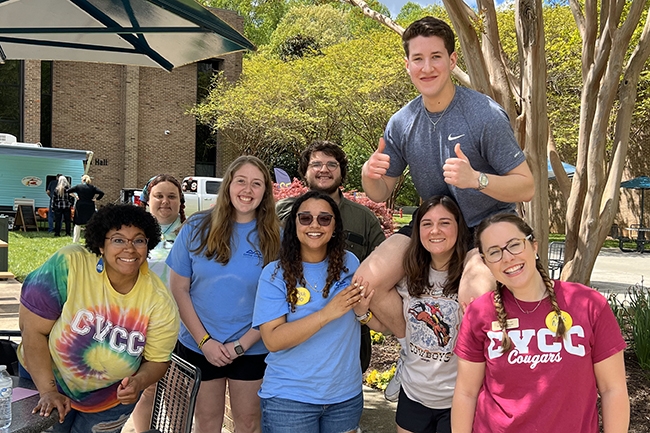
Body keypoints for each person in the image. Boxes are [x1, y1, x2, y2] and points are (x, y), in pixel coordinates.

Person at [358, 16, 535, 337]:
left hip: (486, 224)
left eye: (436, 57)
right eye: (418, 59)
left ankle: (474, 380)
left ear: (452, 61)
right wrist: (368, 175)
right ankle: (416, 352)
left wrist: (476, 179)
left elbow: (526, 186)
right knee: (365, 285)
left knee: (475, 295)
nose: (427, 67)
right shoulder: (402, 122)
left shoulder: (484, 115)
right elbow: (381, 192)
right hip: (434, 222)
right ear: (408, 64)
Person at [451, 213, 629, 433]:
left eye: (514, 245)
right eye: (494, 252)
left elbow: (613, 389)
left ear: (533, 246)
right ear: (486, 262)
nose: (507, 258)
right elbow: (466, 393)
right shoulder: (479, 312)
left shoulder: (589, 305)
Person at [17, 204, 180, 432]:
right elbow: (32, 329)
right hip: (45, 380)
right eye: (118, 239)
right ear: (101, 245)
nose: (130, 249)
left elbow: (158, 360)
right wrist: (47, 391)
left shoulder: (159, 300)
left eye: (139, 240)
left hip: (110, 399)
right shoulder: (70, 263)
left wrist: (139, 381)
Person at [166, 155, 281, 433]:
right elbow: (179, 289)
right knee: (206, 422)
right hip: (199, 344)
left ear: (265, 192)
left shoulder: (277, 236)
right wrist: (205, 341)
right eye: (240, 181)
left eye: (256, 184)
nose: (247, 190)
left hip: (253, 347)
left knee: (249, 423)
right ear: (228, 185)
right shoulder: (196, 227)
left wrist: (241, 344)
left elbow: (279, 301)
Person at [253, 190, 383, 433]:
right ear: (294, 225)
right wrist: (327, 313)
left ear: (335, 226)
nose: (315, 225)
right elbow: (272, 339)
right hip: (289, 401)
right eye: (305, 218)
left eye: (324, 218)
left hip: (344, 398)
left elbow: (369, 317)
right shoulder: (274, 274)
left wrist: (362, 313)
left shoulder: (351, 264)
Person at [276, 140, 386, 372]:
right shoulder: (282, 213)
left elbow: (383, 270)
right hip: (293, 329)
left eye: (331, 164)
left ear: (342, 172)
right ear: (305, 171)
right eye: (316, 164)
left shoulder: (363, 219)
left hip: (348, 335)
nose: (323, 169)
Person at [392, 195, 469, 433]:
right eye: (427, 223)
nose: (435, 230)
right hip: (413, 393)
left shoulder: (473, 276)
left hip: (457, 399)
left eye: (445, 222)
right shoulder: (406, 275)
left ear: (459, 227)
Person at [130, 173, 186, 432]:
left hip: (180, 323)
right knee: (147, 389)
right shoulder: (134, 233)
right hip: (140, 322)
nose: (165, 201)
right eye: (159, 196)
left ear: (180, 202)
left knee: (177, 390)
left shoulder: (191, 233)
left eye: (171, 196)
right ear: (147, 199)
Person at [68, 174, 104, 243]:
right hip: (90, 205)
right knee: (90, 222)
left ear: (82, 180)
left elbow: (68, 191)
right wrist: (96, 199)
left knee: (78, 223)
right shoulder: (92, 187)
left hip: (80, 205)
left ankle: (75, 240)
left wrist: (75, 196)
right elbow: (101, 193)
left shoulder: (78, 187)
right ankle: (90, 239)